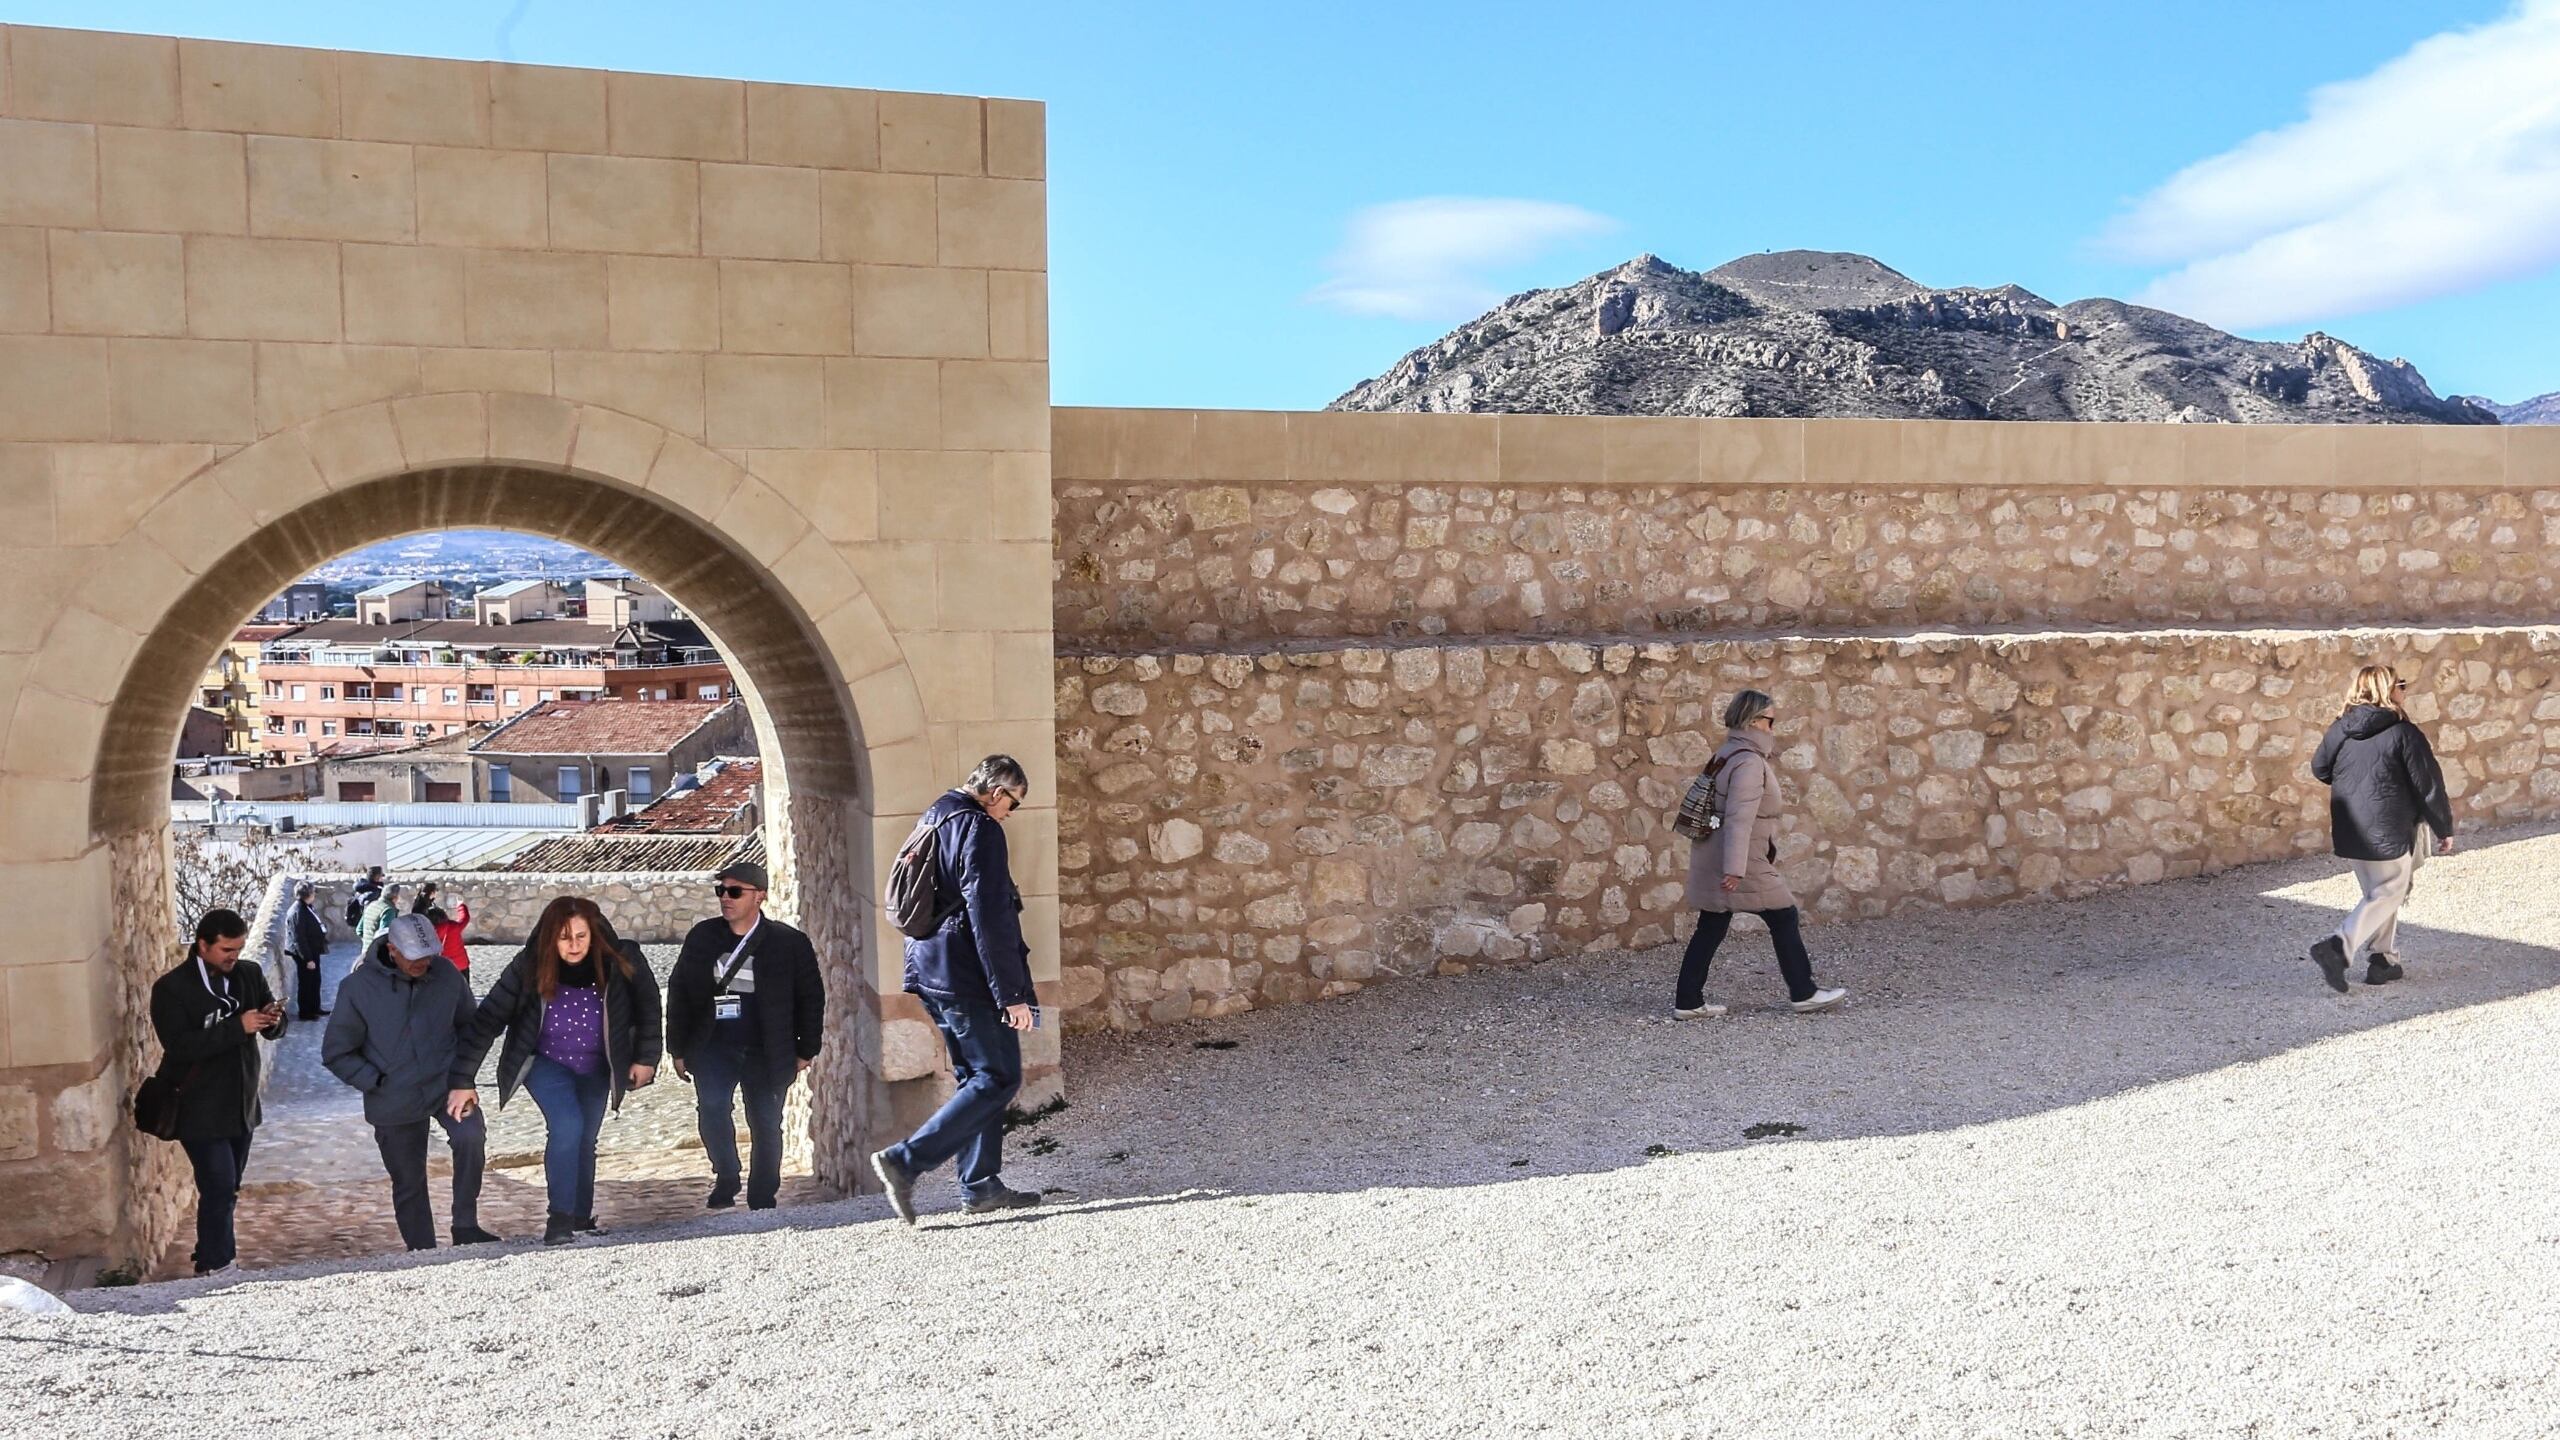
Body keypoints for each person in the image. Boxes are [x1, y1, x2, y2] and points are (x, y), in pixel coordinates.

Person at [870, 755, 1042, 1223]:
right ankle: (905, 1161)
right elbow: (990, 916)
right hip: (966, 974)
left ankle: (980, 1184)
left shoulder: (936, 816)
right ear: (997, 793)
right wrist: (1011, 993)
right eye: (1014, 803)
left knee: (975, 1077)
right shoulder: (980, 828)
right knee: (997, 1077)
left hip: (929, 969)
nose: (1010, 814)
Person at [448, 896, 662, 1245]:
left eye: (581, 936)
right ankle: (558, 1220)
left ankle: (580, 1216)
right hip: (545, 1061)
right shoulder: (527, 966)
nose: (574, 945)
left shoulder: (622, 960)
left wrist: (646, 1058)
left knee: (586, 1138)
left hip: (598, 1063)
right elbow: (487, 1020)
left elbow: (648, 1007)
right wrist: (462, 1079)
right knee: (567, 1126)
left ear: (593, 935)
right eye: (564, 937)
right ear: (550, 937)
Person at [323, 915, 501, 1251]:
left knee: (471, 1138)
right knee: (408, 1180)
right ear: (392, 949)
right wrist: (375, 1081)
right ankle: (422, 1249)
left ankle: (465, 1225)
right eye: (414, 955)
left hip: (446, 1087)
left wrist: (464, 1075)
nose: (423, 962)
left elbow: (470, 1027)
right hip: (392, 1097)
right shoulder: (357, 989)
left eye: (429, 954)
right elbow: (336, 1052)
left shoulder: (447, 974)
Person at [1674, 690, 1848, 1019]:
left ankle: (1688, 1000)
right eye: (1770, 720)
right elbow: (1739, 819)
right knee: (1783, 915)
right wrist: (1735, 869)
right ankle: (1803, 992)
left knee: (1712, 924)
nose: (1773, 727)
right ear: (1753, 721)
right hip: (1742, 858)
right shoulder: (1749, 762)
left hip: (1719, 854)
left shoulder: (1726, 753)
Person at [666, 861, 826, 1211]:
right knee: (711, 1110)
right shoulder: (703, 937)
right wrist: (676, 1047)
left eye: (735, 892)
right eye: (721, 891)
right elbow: (679, 991)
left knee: (767, 1122)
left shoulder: (789, 943)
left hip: (767, 1049)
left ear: (760, 897)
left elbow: (811, 998)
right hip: (713, 1045)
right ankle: (726, 1175)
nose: (726, 898)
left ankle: (762, 1193)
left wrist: (806, 1049)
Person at [148, 909, 286, 1276]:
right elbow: (179, 1046)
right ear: (203, 945)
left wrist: (272, 1020)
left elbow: (273, 1029)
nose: (233, 957)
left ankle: (209, 1255)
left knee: (228, 1187)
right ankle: (218, 1263)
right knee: (220, 1184)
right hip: (198, 1106)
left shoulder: (249, 974)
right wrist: (238, 1027)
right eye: (226, 949)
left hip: (241, 1105)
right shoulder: (171, 989)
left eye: (238, 949)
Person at [2308, 664, 2456, 993]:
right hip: (2389, 827)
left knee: (2378, 895)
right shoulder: (2404, 732)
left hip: (2350, 826)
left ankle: (2383, 961)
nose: (2406, 691)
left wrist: (2354, 782)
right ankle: (2338, 947)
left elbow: (2320, 768)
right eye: (2401, 685)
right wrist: (2443, 826)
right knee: (2392, 891)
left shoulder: (2340, 728)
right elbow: (2427, 784)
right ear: (2387, 691)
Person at [287, 881, 330, 1020]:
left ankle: (315, 1008)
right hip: (305, 953)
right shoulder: (298, 911)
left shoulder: (306, 908)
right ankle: (306, 1012)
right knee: (306, 982)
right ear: (308, 895)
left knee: (315, 980)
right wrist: (308, 959)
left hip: (312, 950)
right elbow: (299, 938)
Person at [355, 883, 406, 970]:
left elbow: (359, 930)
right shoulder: (388, 910)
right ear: (395, 897)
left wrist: (368, 941)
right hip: (378, 957)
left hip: (365, 954)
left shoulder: (371, 905)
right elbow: (384, 936)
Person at [425, 897, 472, 973]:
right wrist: (461, 905)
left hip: (443, 968)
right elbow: (465, 918)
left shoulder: (427, 932)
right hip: (461, 965)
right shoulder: (454, 927)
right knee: (464, 984)